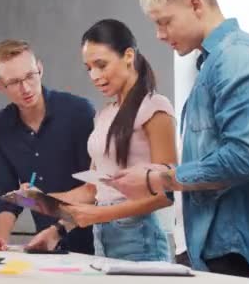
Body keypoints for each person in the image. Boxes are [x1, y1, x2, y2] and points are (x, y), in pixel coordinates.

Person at [105, 0, 249, 282]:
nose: (159, 35)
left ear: (195, 5)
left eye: (165, 22)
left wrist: (159, 178)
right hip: (211, 246)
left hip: (235, 254)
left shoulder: (236, 57)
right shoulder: (212, 64)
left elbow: (245, 158)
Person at [26, 19, 177, 262]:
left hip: (139, 236)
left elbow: (165, 194)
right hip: (102, 238)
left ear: (128, 56)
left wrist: (99, 215)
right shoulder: (105, 114)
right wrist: (44, 202)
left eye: (101, 65)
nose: (95, 76)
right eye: (89, 68)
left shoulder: (155, 107)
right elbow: (93, 189)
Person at [0, 39, 94, 254]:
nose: (25, 88)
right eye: (14, 82)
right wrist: (0, 240)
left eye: (30, 76)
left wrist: (47, 210)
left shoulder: (79, 113)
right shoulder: (1, 125)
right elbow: (6, 195)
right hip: (45, 250)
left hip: (93, 243)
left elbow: (95, 189)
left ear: (40, 69)